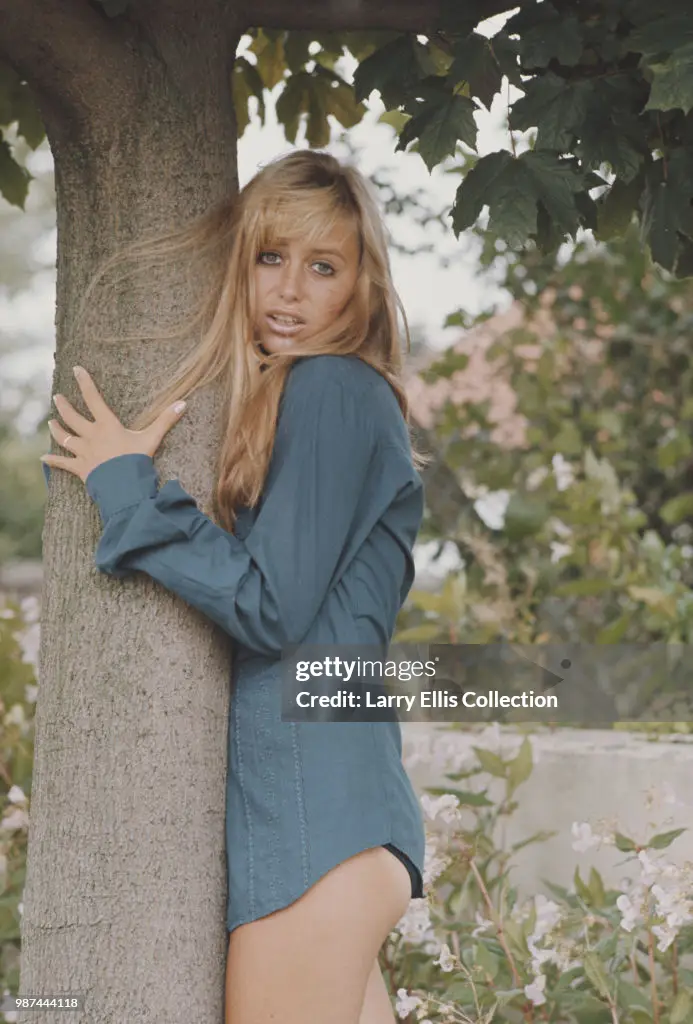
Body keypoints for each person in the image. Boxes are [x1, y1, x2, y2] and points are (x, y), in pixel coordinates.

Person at [41, 149, 434, 1023]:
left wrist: (127, 490)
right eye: (269, 257)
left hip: (311, 833)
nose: (289, 291)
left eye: (322, 267)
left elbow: (270, 606)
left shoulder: (333, 386)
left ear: (362, 287)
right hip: (332, 830)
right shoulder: (319, 400)